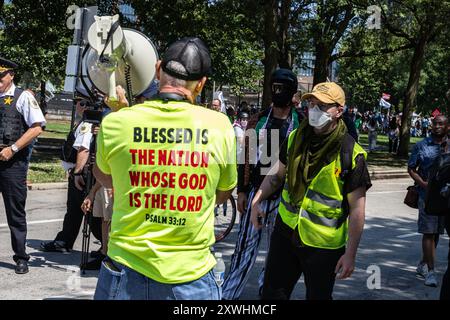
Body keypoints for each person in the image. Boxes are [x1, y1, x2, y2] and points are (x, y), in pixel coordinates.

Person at [92, 37, 237, 300]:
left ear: (157, 69)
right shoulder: (220, 126)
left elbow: (104, 176)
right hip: (191, 277)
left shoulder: (117, 122)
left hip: (125, 270)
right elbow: (224, 192)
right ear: (201, 83)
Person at [251, 82, 371, 300]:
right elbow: (277, 176)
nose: (314, 110)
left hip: (323, 246)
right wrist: (256, 200)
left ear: (339, 111)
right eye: (311, 104)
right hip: (285, 232)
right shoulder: (296, 137)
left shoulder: (351, 154)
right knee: (271, 295)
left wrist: (350, 255)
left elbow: (357, 211)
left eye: (322, 106)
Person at [222, 68, 300, 300]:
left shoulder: (301, 125)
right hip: (257, 192)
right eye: (274, 87)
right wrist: (243, 191)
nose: (278, 92)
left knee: (276, 255)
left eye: (283, 88)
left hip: (285, 198)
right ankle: (227, 297)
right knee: (244, 250)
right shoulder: (257, 121)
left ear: (292, 92)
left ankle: (267, 296)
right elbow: (244, 157)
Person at [0, 57, 46, 274]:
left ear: (11, 75)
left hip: (12, 164)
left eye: (1, 76)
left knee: (15, 213)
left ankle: (21, 257)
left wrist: (13, 149)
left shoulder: (22, 97)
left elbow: (37, 127)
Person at [40, 96, 100, 254]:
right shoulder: (83, 121)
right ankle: (65, 241)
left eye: (80, 102)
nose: (77, 105)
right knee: (75, 210)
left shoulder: (87, 123)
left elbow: (83, 149)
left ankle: (104, 244)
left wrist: (78, 172)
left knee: (87, 212)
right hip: (80, 171)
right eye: (76, 102)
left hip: (83, 173)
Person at [408, 115, 448, 287]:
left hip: (445, 197)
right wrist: (422, 183)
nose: (437, 126)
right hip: (427, 196)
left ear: (448, 127)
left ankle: (423, 263)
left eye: (441, 124)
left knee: (436, 233)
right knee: (428, 233)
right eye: (435, 123)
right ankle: (431, 272)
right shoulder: (421, 145)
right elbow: (411, 168)